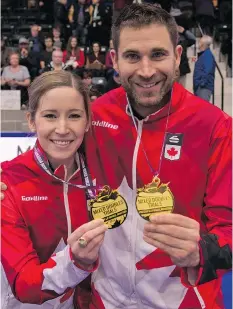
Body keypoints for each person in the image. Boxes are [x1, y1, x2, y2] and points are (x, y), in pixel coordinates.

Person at [1, 3, 232, 309]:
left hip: (183, 301)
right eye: (133, 56)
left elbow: (228, 229)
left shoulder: (215, 127)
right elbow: (48, 158)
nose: (146, 71)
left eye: (158, 54)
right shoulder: (94, 117)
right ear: (114, 60)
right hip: (102, 300)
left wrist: (202, 252)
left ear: (177, 57)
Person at [1, 70, 107, 309]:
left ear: (88, 120)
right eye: (50, 116)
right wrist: (76, 262)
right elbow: (25, 285)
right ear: (31, 120)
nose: (62, 128)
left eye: (74, 116)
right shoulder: (7, 182)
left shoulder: (101, 176)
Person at [193, 35, 215, 102]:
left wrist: (201, 84)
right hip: (200, 87)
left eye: (200, 42)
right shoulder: (204, 55)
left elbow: (207, 71)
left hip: (203, 88)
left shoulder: (207, 55)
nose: (198, 44)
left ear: (203, 44)